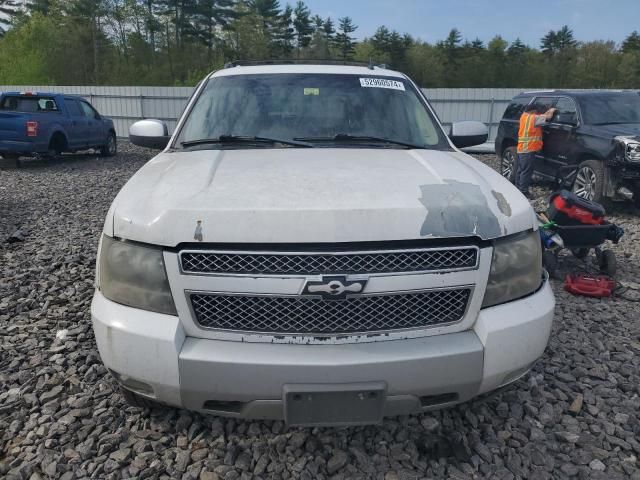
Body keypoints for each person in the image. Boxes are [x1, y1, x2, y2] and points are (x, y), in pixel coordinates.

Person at [516, 103, 556, 198]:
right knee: (526, 171)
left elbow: (541, 116)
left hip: (522, 148)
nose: (537, 113)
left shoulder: (524, 116)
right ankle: (523, 192)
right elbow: (548, 117)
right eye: (536, 112)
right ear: (533, 111)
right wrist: (553, 110)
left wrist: (545, 112)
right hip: (528, 149)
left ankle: (517, 188)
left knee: (521, 170)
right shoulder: (533, 118)